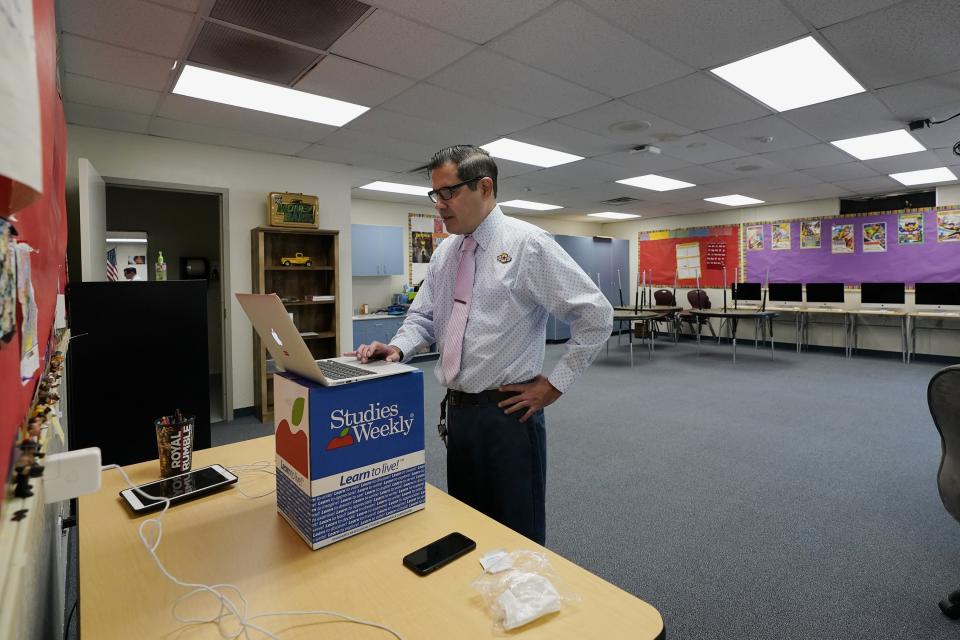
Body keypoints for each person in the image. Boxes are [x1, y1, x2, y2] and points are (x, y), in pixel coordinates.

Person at [349, 145, 613, 544]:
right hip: (459, 415)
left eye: (448, 192)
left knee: (515, 535)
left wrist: (555, 385)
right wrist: (399, 348)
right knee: (468, 528)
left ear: (484, 187)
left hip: (508, 415)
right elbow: (423, 317)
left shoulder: (528, 245)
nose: (439, 205)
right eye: (434, 194)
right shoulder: (445, 254)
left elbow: (596, 314)